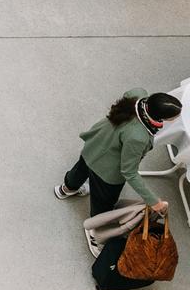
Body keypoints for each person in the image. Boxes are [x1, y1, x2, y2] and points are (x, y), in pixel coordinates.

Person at [55, 88, 181, 217]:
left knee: (80, 169)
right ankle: (96, 230)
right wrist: (154, 201)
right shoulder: (138, 137)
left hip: (95, 144)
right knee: (103, 202)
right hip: (108, 172)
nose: (177, 117)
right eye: (174, 116)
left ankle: (67, 189)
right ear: (161, 117)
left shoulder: (138, 94)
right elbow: (129, 172)